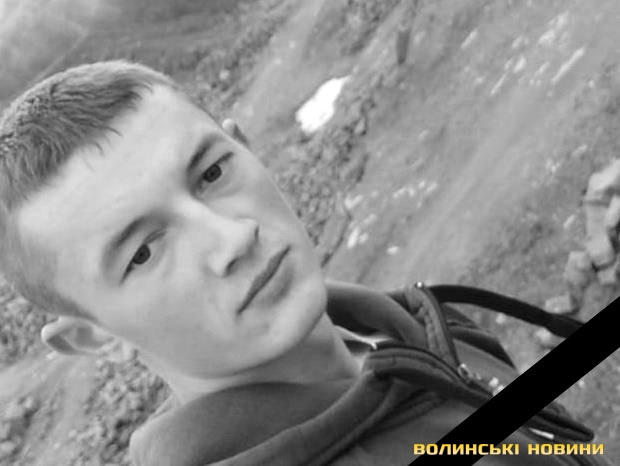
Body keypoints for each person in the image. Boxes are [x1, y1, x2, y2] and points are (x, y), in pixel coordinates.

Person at [0, 61, 607, 466]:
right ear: (93, 336)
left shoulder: (415, 326)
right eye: (142, 252)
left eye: (212, 173)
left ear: (246, 146)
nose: (232, 238)